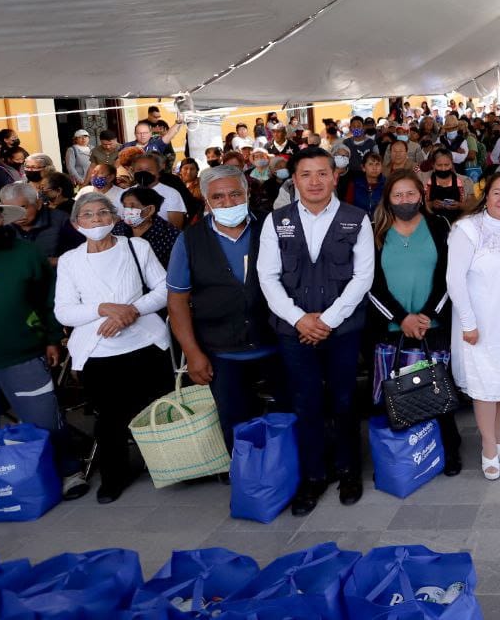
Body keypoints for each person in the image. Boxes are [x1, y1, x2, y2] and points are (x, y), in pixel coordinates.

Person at [257, 147, 374, 515]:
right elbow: (267, 276)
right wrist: (299, 319)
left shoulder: (357, 219)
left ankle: (348, 470)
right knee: (305, 403)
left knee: (343, 400)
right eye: (306, 174)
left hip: (341, 330)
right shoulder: (276, 221)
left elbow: (363, 276)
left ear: (335, 176)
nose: (315, 181)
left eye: (322, 173)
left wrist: (328, 320)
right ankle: (314, 476)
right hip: (295, 332)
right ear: (294, 180)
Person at [55, 193, 173, 504]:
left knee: (156, 406)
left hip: (145, 342)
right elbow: (64, 311)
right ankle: (114, 476)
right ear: (76, 223)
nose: (96, 220)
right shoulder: (70, 261)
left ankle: (170, 463)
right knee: (109, 418)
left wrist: (131, 311)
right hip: (99, 350)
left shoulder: (137, 246)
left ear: (115, 217)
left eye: (103, 213)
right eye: (88, 215)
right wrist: (105, 308)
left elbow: (164, 288)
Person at [166, 164, 282, 451]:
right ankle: (249, 483)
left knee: (288, 421)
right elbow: (177, 300)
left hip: (276, 344)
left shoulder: (270, 227)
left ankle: (288, 478)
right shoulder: (190, 240)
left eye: (235, 194)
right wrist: (192, 354)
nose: (228, 203)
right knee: (237, 427)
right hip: (222, 352)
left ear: (246, 194)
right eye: (218, 197)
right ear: (207, 201)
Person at [366, 170, 464, 476]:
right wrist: (401, 318)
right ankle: (407, 454)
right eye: (397, 195)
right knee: (397, 394)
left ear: (421, 196)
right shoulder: (374, 232)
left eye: (410, 194)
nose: (404, 200)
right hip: (391, 329)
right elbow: (370, 283)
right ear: (388, 199)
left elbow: (449, 276)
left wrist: (426, 316)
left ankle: (449, 448)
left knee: (438, 391)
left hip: (431, 327)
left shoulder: (438, 225)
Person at [0, 198, 87, 499]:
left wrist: (52, 338)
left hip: (25, 355)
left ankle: (69, 472)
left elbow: (49, 300)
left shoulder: (26, 254)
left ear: (3, 218)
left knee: (45, 421)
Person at [445, 173, 500, 480]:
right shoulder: (467, 229)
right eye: (497, 193)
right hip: (478, 323)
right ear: (486, 195)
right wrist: (468, 323)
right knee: (484, 386)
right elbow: (454, 280)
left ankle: (497, 433)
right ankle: (488, 445)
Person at [0, 181, 82, 263]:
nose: (18, 215)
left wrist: (51, 262)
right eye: (11, 210)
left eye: (23, 208)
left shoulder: (62, 221)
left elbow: (80, 255)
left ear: (38, 204)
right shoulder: (2, 226)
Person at [110, 153, 187, 229]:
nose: (143, 173)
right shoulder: (123, 194)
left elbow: (176, 227)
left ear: (158, 171)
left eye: (148, 169)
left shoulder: (171, 194)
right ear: (133, 171)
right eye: (139, 169)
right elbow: (116, 219)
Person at [112, 186, 180, 268]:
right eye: (125, 207)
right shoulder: (117, 229)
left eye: (132, 206)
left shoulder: (171, 235)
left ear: (150, 209)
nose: (127, 211)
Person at [423, 148, 474, 225]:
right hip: (429, 224)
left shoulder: (465, 181)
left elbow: (473, 204)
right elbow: (416, 203)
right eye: (439, 165)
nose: (443, 169)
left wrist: (460, 205)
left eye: (446, 165)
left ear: (452, 164)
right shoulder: (423, 179)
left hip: (458, 225)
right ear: (433, 165)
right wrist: (431, 204)